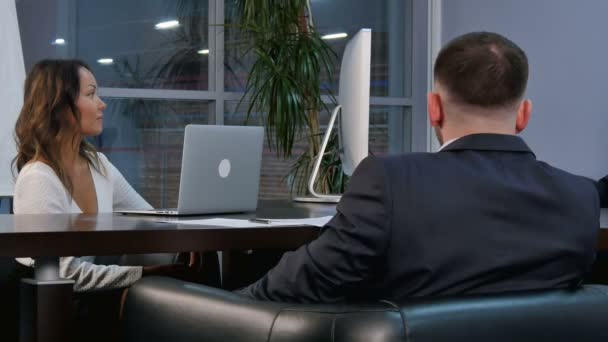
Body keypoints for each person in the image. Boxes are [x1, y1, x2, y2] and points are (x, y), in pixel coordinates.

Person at [236, 32, 600, 303]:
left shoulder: (390, 183)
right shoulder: (580, 199)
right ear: (524, 115)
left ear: (433, 109)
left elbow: (294, 288)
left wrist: (218, 307)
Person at [12, 59, 196, 292]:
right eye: (91, 95)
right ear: (60, 106)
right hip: (51, 305)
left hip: (90, 295)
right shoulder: (37, 178)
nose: (102, 105)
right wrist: (145, 274)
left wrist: (189, 238)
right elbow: (62, 272)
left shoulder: (98, 165)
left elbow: (148, 218)